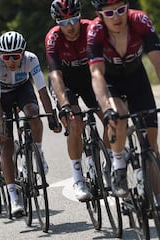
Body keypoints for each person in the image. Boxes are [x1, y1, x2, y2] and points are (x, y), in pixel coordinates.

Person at [87, 0, 160, 228]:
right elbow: (96, 75)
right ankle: (119, 166)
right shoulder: (96, 31)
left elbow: (159, 61)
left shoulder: (139, 21)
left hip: (136, 79)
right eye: (109, 13)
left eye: (121, 10)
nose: (116, 17)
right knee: (119, 115)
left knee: (151, 146)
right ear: (99, 14)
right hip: (110, 80)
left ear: (128, 8)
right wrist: (106, 108)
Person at [0, 31, 61, 216]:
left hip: (22, 89)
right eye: (6, 56)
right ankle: (13, 197)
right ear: (0, 54)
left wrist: (51, 115)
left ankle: (38, 150)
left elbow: (42, 90)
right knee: (6, 143)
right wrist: (1, 124)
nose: (11, 61)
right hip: (2, 96)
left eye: (15, 56)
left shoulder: (31, 59)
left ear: (23, 52)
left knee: (33, 114)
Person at [47, 0, 112, 201]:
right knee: (75, 122)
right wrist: (64, 104)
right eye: (64, 21)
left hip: (90, 77)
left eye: (74, 19)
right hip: (65, 82)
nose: (70, 26)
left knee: (111, 118)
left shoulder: (91, 28)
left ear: (80, 16)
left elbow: (105, 63)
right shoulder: (53, 37)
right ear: (57, 22)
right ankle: (78, 178)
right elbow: (55, 75)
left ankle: (109, 164)